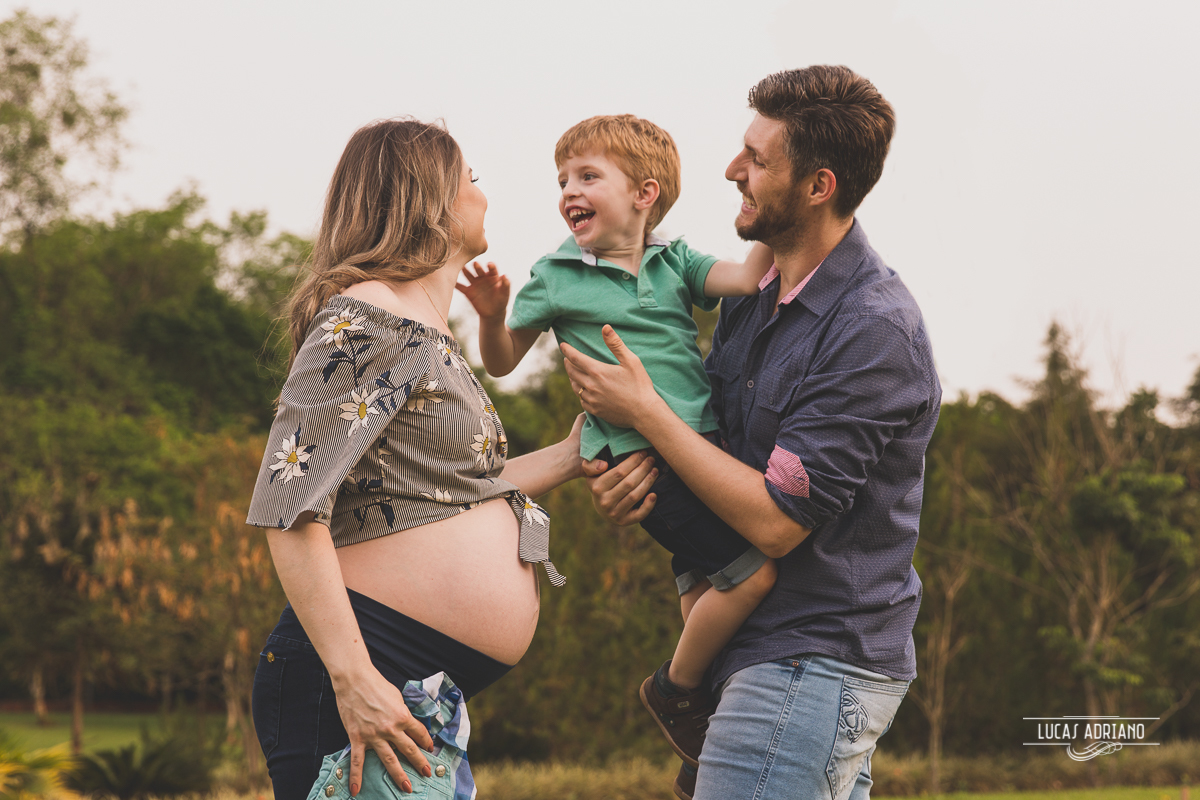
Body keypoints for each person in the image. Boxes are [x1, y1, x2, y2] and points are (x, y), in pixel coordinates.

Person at [563, 67, 942, 800]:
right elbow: (711, 455)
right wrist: (634, 479)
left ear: (818, 186)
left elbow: (773, 522)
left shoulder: (872, 331)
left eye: (758, 160)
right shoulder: (753, 297)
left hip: (813, 655)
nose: (733, 171)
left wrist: (648, 415)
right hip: (759, 654)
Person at [245, 118, 584, 800]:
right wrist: (355, 678)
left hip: (415, 688)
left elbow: (451, 496)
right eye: (471, 181)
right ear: (427, 199)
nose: (483, 196)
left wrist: (576, 455)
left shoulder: (425, 336)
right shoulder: (370, 314)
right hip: (366, 678)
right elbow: (289, 505)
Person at [456, 114, 778, 769]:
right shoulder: (556, 275)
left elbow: (746, 280)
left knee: (702, 591)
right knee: (754, 576)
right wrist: (492, 318)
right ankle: (675, 690)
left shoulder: (676, 262)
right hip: (638, 462)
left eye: (587, 175)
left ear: (644, 194)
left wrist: (768, 209)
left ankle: (708, 743)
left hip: (701, 453)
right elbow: (501, 361)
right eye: (563, 178)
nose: (568, 189)